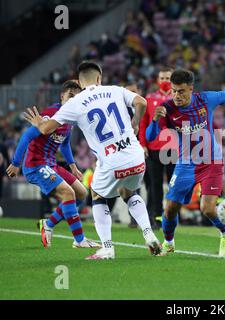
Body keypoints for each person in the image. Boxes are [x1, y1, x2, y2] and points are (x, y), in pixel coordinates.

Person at [23, 61, 161, 260]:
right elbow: (142, 102)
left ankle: (107, 248)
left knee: (97, 195)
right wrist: (135, 122)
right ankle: (148, 234)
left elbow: (46, 130)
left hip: (112, 161)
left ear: (79, 82)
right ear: (99, 78)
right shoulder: (115, 90)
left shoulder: (75, 103)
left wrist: (38, 122)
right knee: (128, 191)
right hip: (137, 157)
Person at [146, 69, 225, 256]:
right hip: (185, 164)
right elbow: (151, 137)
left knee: (207, 209)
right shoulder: (168, 109)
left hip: (211, 161)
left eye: (181, 91)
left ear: (191, 89)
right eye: (174, 91)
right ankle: (169, 242)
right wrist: (155, 119)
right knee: (169, 210)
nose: (176, 95)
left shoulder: (206, 99)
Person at [6, 80, 100, 249]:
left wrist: (72, 166)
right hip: (36, 165)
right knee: (68, 192)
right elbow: (27, 136)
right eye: (70, 95)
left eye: (77, 97)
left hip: (51, 164)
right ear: (62, 96)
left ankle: (48, 224)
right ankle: (79, 240)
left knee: (81, 193)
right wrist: (15, 163)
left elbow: (63, 144)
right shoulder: (51, 114)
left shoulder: (70, 117)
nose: (73, 100)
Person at [139, 67, 176, 228]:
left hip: (173, 147)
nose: (165, 81)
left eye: (168, 78)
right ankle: (156, 217)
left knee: (174, 184)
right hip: (154, 148)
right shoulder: (150, 98)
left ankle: (172, 216)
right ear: (157, 80)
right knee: (155, 185)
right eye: (162, 78)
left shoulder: (179, 98)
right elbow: (143, 124)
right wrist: (143, 145)